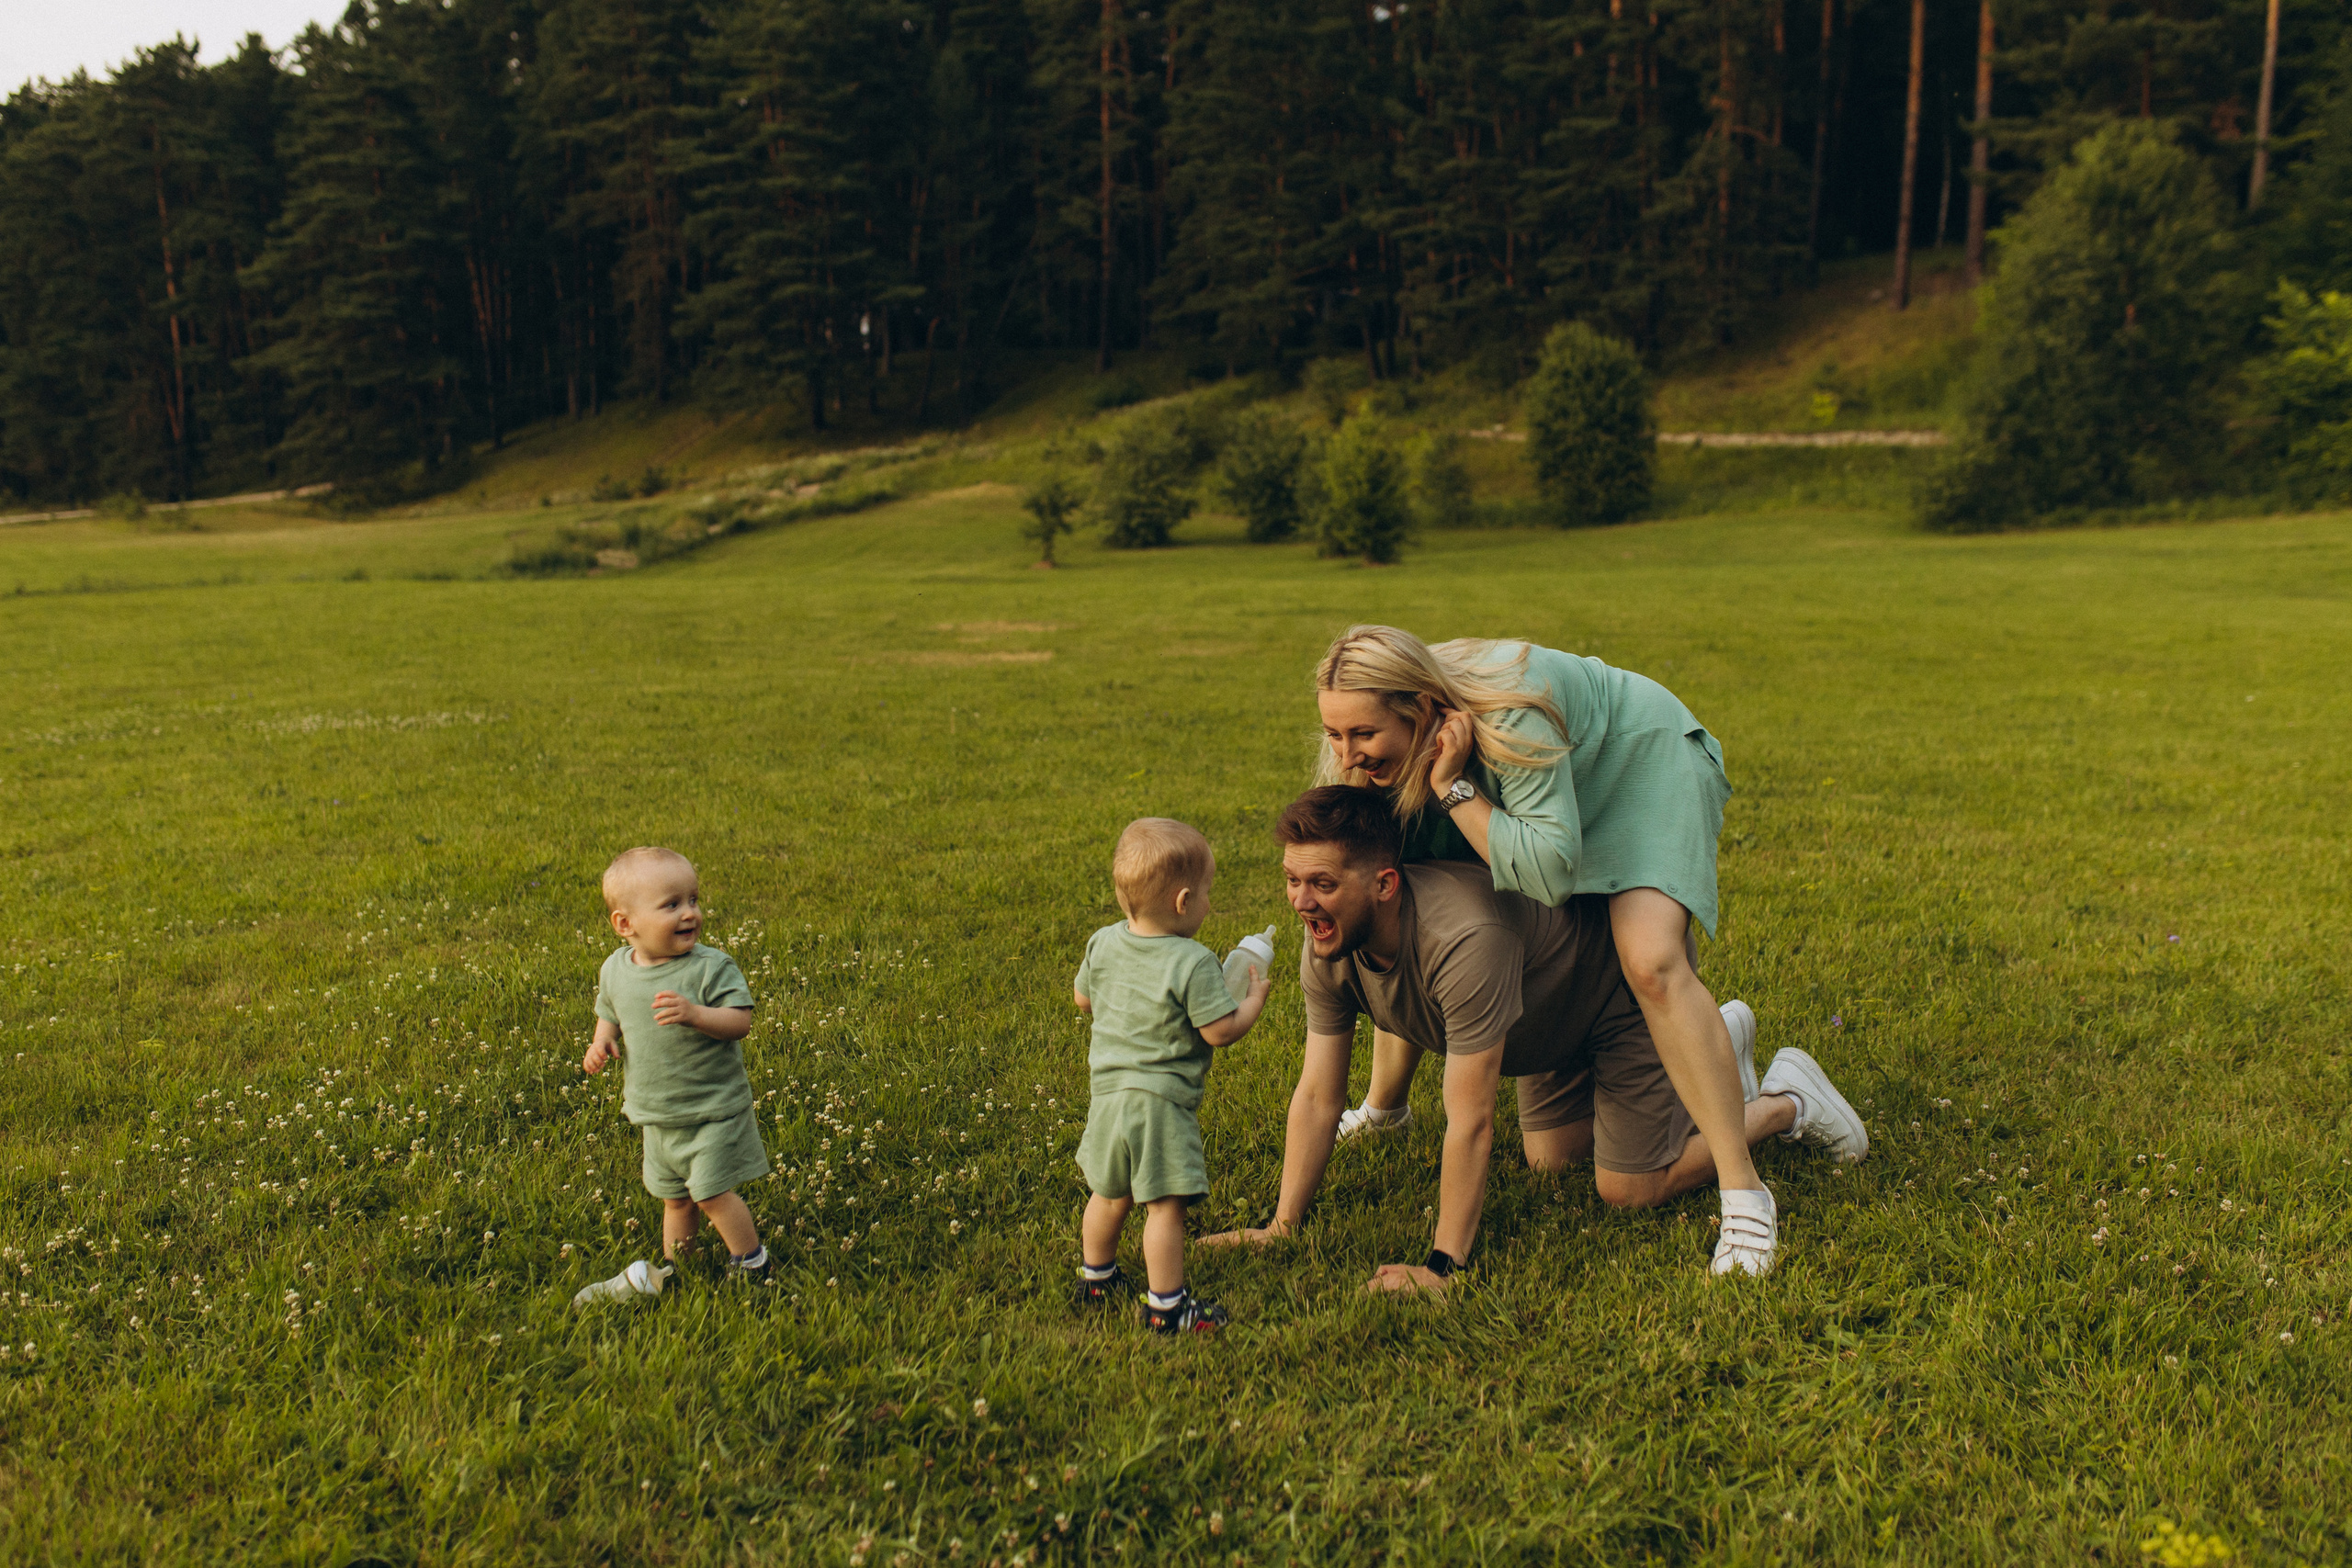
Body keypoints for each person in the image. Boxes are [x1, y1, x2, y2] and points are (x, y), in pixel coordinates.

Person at [1202, 787, 1865, 1285]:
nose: (1301, 900)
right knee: (1551, 1163)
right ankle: (1713, 1050)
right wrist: (1280, 1225)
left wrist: (1443, 1266)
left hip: (1614, 1003)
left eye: (1321, 883)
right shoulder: (1328, 948)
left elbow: (1471, 1119)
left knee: (1628, 1188)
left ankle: (1784, 1100)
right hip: (1545, 1022)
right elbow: (1319, 1095)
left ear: (1383, 883)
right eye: (1292, 880)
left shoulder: (1462, 940)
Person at [1311, 626, 1789, 1272]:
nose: (1346, 758)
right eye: (1334, 735)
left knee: (1649, 959)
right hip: (1544, 801)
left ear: (1421, 710)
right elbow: (1412, 928)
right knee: (1552, 1159)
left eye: (1361, 735)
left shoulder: (1510, 715)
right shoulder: (1389, 740)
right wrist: (1382, 1106)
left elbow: (1549, 877)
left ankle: (1746, 1191)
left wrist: (1455, 789)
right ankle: (1385, 1105)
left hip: (1637, 765)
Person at [1072, 818, 1273, 1333]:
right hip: (1159, 1105)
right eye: (1208, 894)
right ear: (1183, 901)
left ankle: (1096, 1279)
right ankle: (1167, 1308)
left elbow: (1083, 999)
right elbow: (1219, 1033)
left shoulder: (1102, 943)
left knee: (1109, 1192)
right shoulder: (1193, 961)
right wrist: (1253, 1001)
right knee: (1165, 1208)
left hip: (1108, 1096)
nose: (1210, 904)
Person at [580, 846, 771, 1284]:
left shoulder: (710, 968)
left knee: (710, 1193)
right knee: (675, 1198)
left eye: (693, 900)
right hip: (657, 1112)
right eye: (672, 905)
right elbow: (609, 1009)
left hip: (712, 1108)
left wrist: (696, 1014)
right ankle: (678, 1268)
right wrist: (601, 1041)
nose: (690, 914)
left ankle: (753, 1262)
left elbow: (740, 1021)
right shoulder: (616, 969)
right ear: (625, 924)